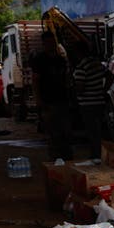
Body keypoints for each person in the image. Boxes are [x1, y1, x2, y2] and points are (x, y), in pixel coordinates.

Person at [30, 30, 72, 160]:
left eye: (53, 42)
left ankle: (67, 157)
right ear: (44, 44)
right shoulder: (40, 60)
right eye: (48, 42)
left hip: (62, 99)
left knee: (66, 131)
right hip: (48, 100)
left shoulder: (60, 59)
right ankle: (56, 158)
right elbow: (35, 80)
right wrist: (38, 99)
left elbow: (66, 78)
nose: (51, 44)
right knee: (53, 132)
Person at [71, 45, 108, 159]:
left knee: (92, 131)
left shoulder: (81, 67)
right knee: (100, 130)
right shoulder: (97, 64)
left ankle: (96, 155)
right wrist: (104, 89)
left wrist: (73, 91)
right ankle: (103, 153)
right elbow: (110, 74)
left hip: (87, 104)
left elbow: (80, 87)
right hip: (99, 102)